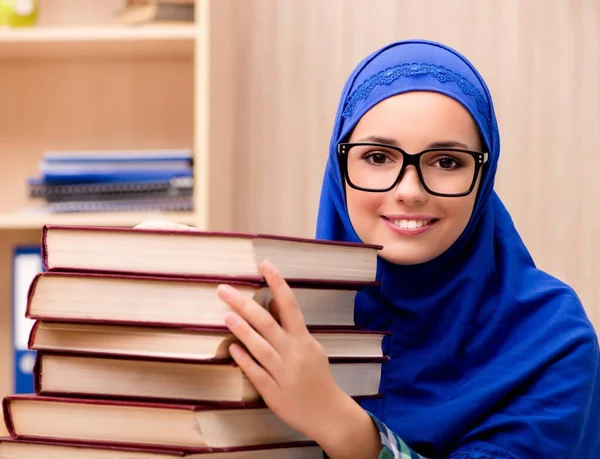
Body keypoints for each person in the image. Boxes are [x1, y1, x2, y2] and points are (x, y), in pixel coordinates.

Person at [156, 39, 600, 458]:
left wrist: (338, 422)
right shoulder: (284, 319)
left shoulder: (550, 339)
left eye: (446, 162)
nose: (409, 191)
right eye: (377, 157)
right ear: (339, 164)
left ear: (484, 175)